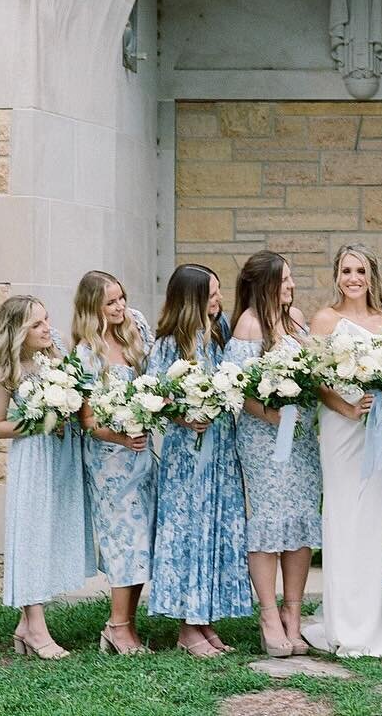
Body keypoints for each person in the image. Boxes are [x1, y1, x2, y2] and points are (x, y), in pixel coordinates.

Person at [301, 243, 382, 657]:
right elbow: (315, 378)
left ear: (372, 275)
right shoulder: (325, 319)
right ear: (336, 276)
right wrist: (347, 407)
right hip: (342, 429)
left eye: (360, 270)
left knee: (378, 519)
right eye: (345, 271)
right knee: (343, 516)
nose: (353, 278)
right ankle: (345, 624)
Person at [146, 264, 250, 657]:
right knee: (191, 531)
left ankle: (205, 621)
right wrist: (182, 415)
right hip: (187, 454)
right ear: (190, 300)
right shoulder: (168, 345)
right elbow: (154, 399)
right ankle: (188, 627)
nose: (219, 300)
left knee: (215, 530)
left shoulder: (219, 332)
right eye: (211, 294)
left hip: (221, 449)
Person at [0, 295, 94, 659]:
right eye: (36, 324)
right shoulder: (7, 369)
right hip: (32, 458)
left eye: (46, 319)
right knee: (31, 536)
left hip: (61, 455)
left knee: (48, 535)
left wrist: (65, 407)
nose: (47, 328)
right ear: (18, 331)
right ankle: (36, 628)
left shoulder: (57, 350)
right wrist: (40, 420)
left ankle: (25, 623)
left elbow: (75, 391)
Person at [224, 250, 322, 657]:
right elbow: (237, 387)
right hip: (264, 438)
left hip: (301, 438)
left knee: (300, 521)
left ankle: (293, 615)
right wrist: (273, 416)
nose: (291, 286)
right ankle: (267, 616)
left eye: (291, 279)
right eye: (284, 280)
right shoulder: (249, 324)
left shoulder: (296, 318)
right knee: (268, 520)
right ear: (265, 284)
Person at [72, 270, 155, 655]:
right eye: (110, 302)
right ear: (93, 307)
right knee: (126, 540)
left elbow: (156, 381)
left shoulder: (135, 328)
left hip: (140, 454)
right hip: (109, 460)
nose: (120, 306)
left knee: (142, 541)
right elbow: (88, 421)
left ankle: (123, 624)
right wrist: (122, 436)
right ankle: (118, 627)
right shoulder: (87, 354)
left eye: (121, 297)